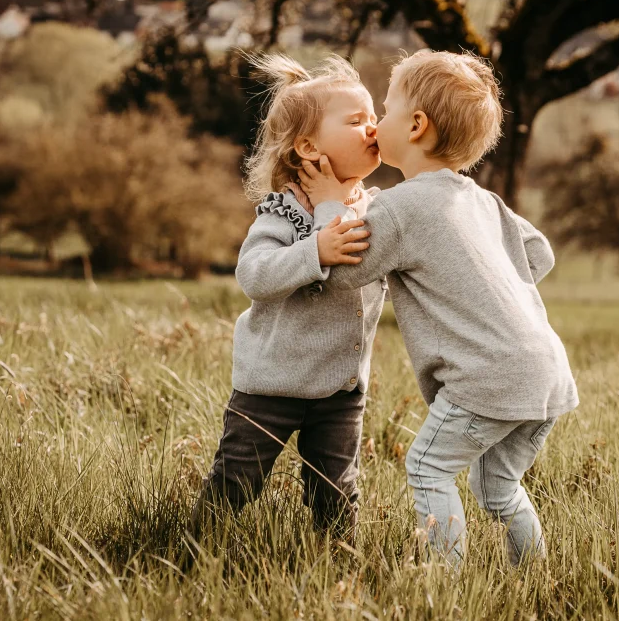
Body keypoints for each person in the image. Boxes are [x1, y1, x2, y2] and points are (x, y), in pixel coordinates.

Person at [300, 50, 579, 565]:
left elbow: (341, 272)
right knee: (498, 487)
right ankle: (536, 575)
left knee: (428, 468)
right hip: (547, 372)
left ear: (416, 125)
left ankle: (442, 585)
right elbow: (539, 253)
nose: (376, 123)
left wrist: (329, 205)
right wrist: (481, 288)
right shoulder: (482, 200)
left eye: (384, 111)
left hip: (487, 377)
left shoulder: (401, 207)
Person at [190, 53, 384, 549]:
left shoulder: (378, 209)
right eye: (356, 121)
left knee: (336, 491)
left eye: (374, 118)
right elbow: (254, 275)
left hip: (341, 390)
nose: (373, 128)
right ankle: (198, 550)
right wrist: (313, 250)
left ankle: (340, 564)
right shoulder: (284, 213)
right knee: (237, 481)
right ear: (308, 147)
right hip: (271, 385)